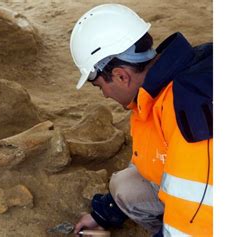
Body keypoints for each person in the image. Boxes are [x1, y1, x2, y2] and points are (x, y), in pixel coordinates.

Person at [69, 4, 212, 237]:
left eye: (100, 87)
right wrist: (105, 213)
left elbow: (197, 223)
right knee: (126, 187)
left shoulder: (189, 106)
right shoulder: (162, 86)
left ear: (121, 76)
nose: (105, 94)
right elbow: (154, 160)